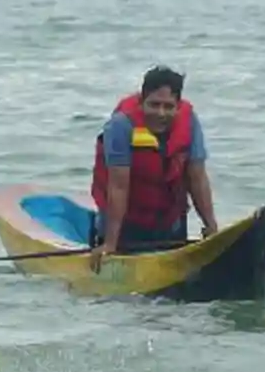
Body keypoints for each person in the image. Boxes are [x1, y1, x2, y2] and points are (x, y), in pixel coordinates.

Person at [89, 65, 218, 269]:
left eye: (168, 106)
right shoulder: (121, 125)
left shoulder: (189, 122)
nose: (160, 113)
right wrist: (111, 244)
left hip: (169, 224)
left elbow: (198, 178)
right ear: (142, 102)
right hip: (125, 226)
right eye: (154, 105)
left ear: (178, 106)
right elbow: (118, 186)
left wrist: (211, 228)